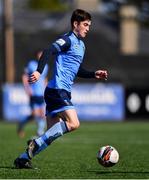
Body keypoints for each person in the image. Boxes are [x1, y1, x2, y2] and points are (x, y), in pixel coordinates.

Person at [14, 9, 108, 169]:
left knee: (50, 135)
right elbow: (48, 51)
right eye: (85, 24)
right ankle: (35, 142)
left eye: (89, 25)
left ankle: (22, 159)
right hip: (58, 90)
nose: (87, 28)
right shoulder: (67, 40)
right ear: (75, 24)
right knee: (73, 123)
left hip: (56, 91)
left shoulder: (81, 45)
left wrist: (93, 74)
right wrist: (38, 70)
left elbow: (76, 70)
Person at [17, 50, 48, 138]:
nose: (41, 56)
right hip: (33, 93)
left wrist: (46, 89)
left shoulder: (45, 66)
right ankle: (21, 124)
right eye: (39, 54)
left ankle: (40, 132)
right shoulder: (31, 64)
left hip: (41, 93)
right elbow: (24, 76)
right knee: (35, 115)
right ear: (36, 55)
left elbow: (45, 78)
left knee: (42, 114)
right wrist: (27, 88)